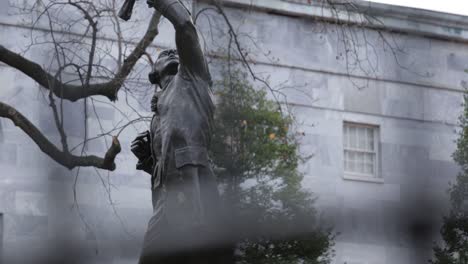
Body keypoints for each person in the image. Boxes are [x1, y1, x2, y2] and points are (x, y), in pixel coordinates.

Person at [131, 0, 232, 263]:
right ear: (154, 73)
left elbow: (185, 27)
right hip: (165, 206)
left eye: (175, 53)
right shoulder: (159, 115)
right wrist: (149, 162)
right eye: (165, 54)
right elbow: (167, 164)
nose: (173, 54)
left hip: (193, 195)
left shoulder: (192, 78)